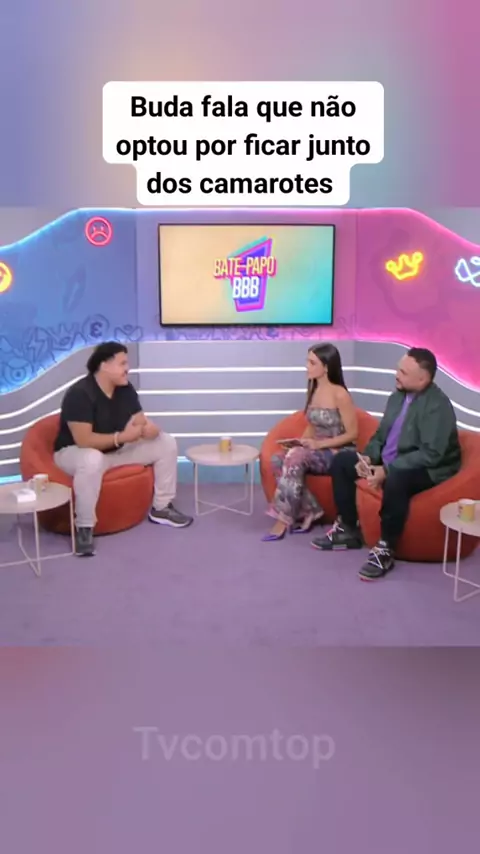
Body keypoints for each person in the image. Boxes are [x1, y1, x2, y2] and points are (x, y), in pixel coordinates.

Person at [311, 347, 462, 580]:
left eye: (403, 372)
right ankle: (348, 529)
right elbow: (381, 436)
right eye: (398, 369)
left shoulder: (438, 407)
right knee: (343, 461)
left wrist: (388, 470)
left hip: (428, 469)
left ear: (422, 379)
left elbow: (432, 454)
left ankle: (385, 548)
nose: (396, 374)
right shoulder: (397, 397)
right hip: (390, 462)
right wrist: (368, 458)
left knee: (397, 478)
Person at [54, 341, 193, 556]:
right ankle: (84, 527)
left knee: (166, 442)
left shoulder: (125, 389)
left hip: (114, 452)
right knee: (92, 459)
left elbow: (140, 421)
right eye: (122, 363)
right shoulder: (80, 394)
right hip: (75, 453)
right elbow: (84, 441)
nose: (127, 368)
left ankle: (162, 507)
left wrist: (151, 429)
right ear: (104, 365)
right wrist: (122, 437)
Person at [262, 343, 358, 541]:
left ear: (326, 367)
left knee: (296, 457)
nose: (307, 366)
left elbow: (352, 434)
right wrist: (301, 442)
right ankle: (311, 509)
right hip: (317, 450)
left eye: (312, 363)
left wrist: (319, 445)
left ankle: (283, 519)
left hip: (338, 452)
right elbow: (313, 426)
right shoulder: (314, 390)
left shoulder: (340, 394)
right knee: (278, 459)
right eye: (307, 361)